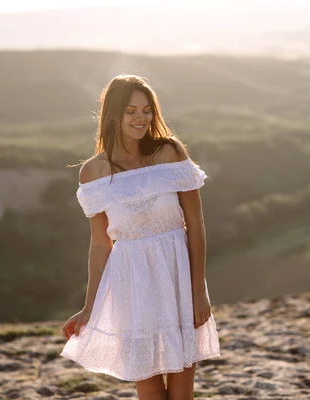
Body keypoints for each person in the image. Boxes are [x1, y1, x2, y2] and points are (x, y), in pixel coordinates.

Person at [59, 74, 222, 400]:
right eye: (131, 110)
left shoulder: (170, 153)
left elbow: (195, 223)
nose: (141, 118)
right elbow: (100, 243)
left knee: (181, 385)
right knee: (147, 383)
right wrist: (90, 307)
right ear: (113, 115)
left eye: (147, 110)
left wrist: (198, 290)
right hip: (130, 283)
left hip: (177, 274)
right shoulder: (93, 172)